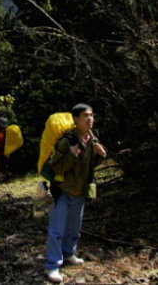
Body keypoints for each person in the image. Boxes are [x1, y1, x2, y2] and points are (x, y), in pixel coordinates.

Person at [44, 103, 107, 283]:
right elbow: (57, 167)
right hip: (63, 191)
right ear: (76, 119)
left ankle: (69, 253)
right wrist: (71, 154)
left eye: (92, 116)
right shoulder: (67, 141)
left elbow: (88, 166)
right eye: (85, 116)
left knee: (73, 227)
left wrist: (100, 155)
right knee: (57, 230)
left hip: (79, 191)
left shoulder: (91, 140)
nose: (90, 119)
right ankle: (52, 266)